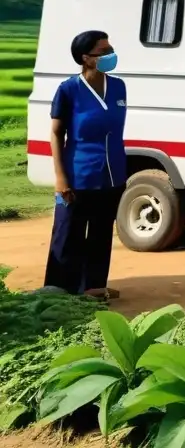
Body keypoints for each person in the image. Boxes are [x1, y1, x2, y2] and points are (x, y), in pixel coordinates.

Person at [44, 30, 127, 300]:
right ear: (86, 59)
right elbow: (56, 133)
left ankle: (93, 288)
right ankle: (59, 294)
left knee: (101, 235)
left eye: (110, 48)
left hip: (112, 175)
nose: (110, 54)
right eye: (104, 51)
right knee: (68, 236)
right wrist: (61, 178)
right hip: (78, 176)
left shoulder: (118, 87)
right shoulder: (69, 90)